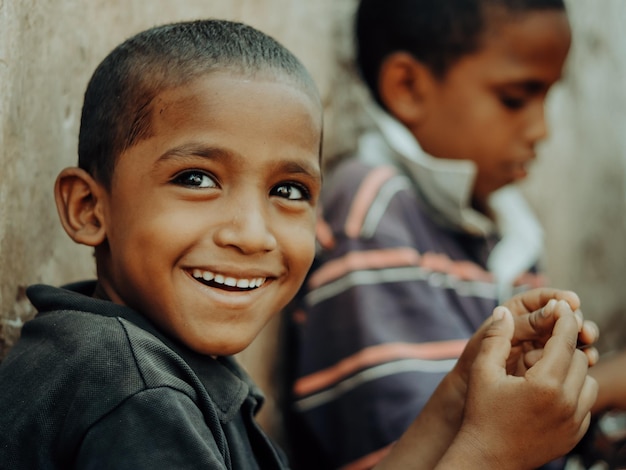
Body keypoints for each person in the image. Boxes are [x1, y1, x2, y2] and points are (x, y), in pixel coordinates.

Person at [0, 18, 598, 470]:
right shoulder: (128, 388)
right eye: (197, 179)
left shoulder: (147, 357)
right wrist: (494, 454)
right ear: (89, 209)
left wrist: (460, 398)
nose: (252, 234)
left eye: (288, 189)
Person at [284, 0, 579, 468]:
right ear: (408, 87)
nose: (541, 130)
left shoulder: (505, 222)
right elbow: (401, 448)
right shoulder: (373, 212)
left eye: (547, 97)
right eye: (515, 99)